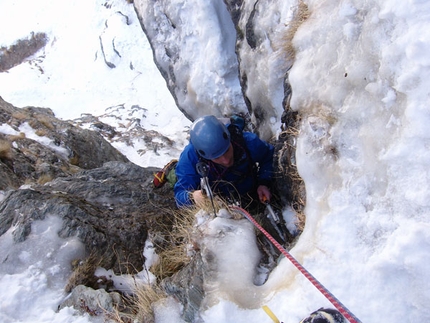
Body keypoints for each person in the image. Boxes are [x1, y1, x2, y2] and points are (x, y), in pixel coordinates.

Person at [174, 115, 274, 209]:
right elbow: (180, 195)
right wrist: (192, 197)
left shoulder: (248, 142)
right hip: (221, 205)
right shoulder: (190, 158)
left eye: (227, 151)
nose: (226, 160)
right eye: (216, 157)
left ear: (229, 139)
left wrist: (263, 182)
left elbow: (269, 156)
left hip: (251, 192)